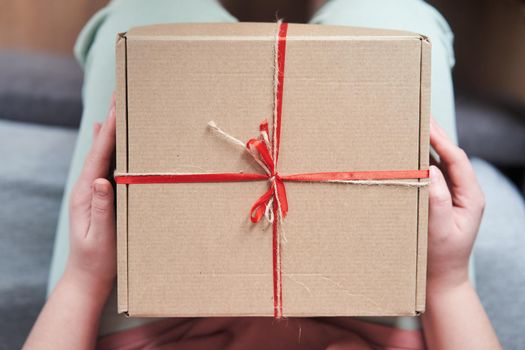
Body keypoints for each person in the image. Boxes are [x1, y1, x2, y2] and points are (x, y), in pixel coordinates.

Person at [24, 0, 503, 349]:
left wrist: (83, 280)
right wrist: (448, 282)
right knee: (394, 20)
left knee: (147, 19)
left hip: (163, 315)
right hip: (372, 307)